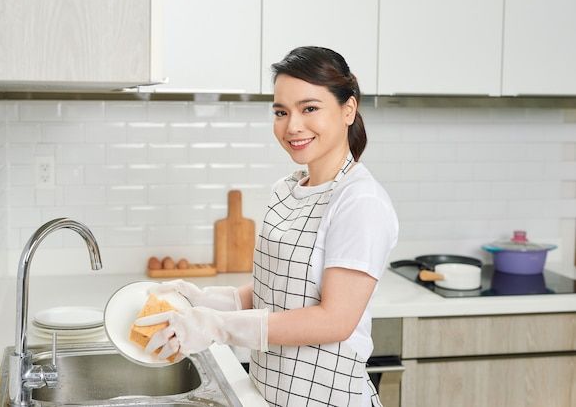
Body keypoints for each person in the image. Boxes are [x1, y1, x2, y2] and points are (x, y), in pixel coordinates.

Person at [135, 46, 399, 407]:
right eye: (281, 111)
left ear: (348, 109)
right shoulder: (287, 189)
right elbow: (274, 292)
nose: (292, 126)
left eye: (310, 108)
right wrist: (201, 299)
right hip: (270, 394)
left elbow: (334, 321)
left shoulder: (360, 201)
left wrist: (217, 326)